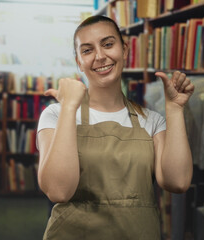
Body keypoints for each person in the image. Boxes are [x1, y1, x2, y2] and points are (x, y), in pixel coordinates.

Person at [36, 15, 194, 240]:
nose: (100, 56)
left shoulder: (152, 121)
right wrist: (70, 107)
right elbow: (58, 190)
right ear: (79, 62)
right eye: (87, 50)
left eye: (108, 44)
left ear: (125, 50)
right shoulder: (56, 115)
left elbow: (177, 182)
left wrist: (175, 109)